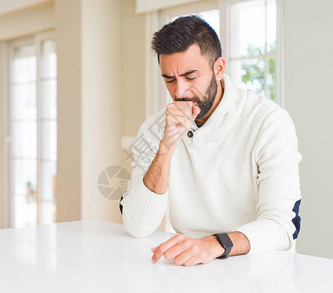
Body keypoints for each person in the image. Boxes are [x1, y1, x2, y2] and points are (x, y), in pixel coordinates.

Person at [119, 15, 302, 267]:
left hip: (260, 268)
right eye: (169, 79)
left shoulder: (269, 121)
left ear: (218, 69)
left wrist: (214, 245)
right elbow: (138, 226)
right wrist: (166, 147)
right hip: (189, 268)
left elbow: (283, 226)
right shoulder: (153, 127)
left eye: (190, 76)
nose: (179, 92)